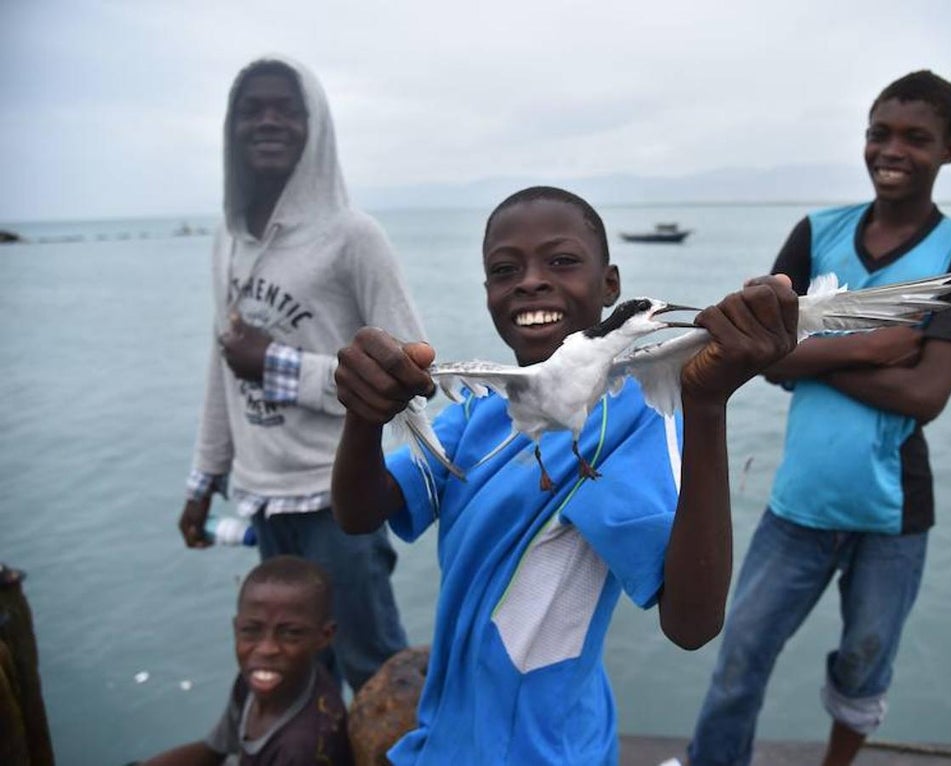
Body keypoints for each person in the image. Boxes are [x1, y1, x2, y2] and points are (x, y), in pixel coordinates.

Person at [330, 186, 800, 764]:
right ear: (488, 294)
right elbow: (358, 513)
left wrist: (705, 406)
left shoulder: (637, 417)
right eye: (506, 270)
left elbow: (692, 623)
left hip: (548, 748)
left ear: (611, 285)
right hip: (447, 732)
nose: (530, 280)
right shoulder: (476, 413)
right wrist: (362, 415)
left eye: (562, 261)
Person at [683, 71, 951, 766]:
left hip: (892, 515)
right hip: (799, 502)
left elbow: (927, 395)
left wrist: (814, 351)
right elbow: (759, 358)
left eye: (917, 138)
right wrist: (878, 345)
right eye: (879, 133)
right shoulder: (818, 232)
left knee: (863, 667)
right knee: (739, 659)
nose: (893, 150)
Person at [177, 55, 424, 692]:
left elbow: (414, 372)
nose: (268, 120)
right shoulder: (227, 240)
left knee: (372, 672)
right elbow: (223, 363)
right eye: (250, 108)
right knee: (299, 678)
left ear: (315, 125)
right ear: (230, 127)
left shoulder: (352, 237)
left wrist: (281, 367)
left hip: (337, 499)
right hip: (262, 496)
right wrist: (205, 478)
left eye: (286, 108)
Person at [140, 556, 352, 766]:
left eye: (291, 634)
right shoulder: (260, 679)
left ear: (325, 636)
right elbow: (215, 750)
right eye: (251, 631)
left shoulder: (301, 749)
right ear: (236, 628)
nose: (266, 649)